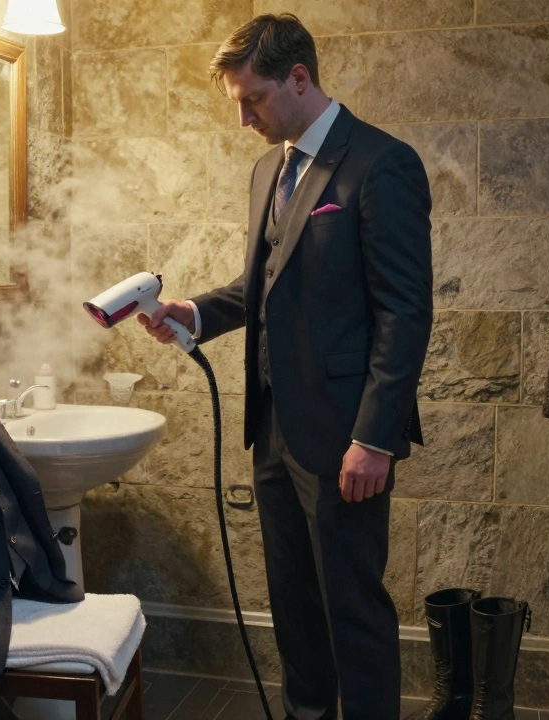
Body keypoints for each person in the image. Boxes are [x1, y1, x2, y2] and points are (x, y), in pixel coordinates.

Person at [138, 14, 433, 720]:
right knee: (294, 605)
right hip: (272, 429)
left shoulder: (381, 164)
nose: (243, 118)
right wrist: (195, 312)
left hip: (344, 438)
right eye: (237, 102)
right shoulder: (270, 168)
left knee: (351, 608)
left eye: (253, 99)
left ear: (300, 78)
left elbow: (404, 312)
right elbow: (263, 284)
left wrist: (374, 438)